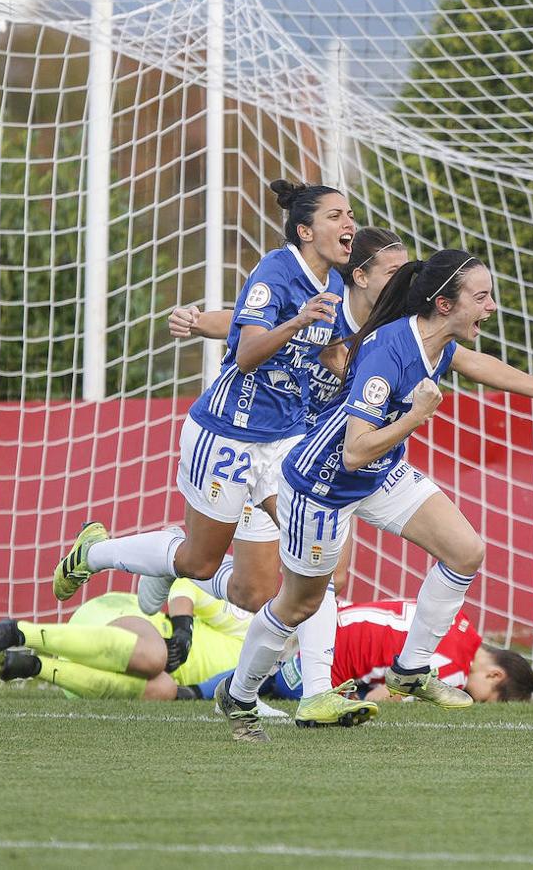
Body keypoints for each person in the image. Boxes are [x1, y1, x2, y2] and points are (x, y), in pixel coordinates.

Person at [213, 248, 533, 741]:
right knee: (298, 605)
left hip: (380, 473)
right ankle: (239, 695)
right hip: (325, 485)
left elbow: (478, 363)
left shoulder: (437, 343)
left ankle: (411, 670)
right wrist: (416, 416)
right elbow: (352, 451)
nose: (491, 307)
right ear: (443, 304)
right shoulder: (387, 354)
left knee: (465, 551)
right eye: (481, 298)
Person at [49, 178, 366, 727]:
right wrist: (295, 322)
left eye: (352, 215)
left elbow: (323, 341)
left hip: (283, 441)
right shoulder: (276, 270)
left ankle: (317, 692)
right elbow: (245, 351)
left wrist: (341, 364)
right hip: (226, 432)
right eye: (337, 216)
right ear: (305, 229)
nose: (349, 225)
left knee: (308, 565)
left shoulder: (335, 285)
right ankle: (95, 554)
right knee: (199, 559)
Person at [164, 227, 410, 711]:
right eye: (394, 272)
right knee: (309, 570)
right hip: (266, 442)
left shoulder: (386, 327)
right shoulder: (324, 298)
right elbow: (245, 325)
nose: (403, 282)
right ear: (360, 276)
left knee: (259, 589)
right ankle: (309, 692)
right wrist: (196, 322)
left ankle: (301, 687)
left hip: (307, 457)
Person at [183, 599, 533, 705]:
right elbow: (387, 695)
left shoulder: (462, 623)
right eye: (484, 698)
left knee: (267, 675)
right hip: (328, 660)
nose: (471, 700)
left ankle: (198, 691)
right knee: (274, 687)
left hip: (329, 622)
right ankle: (196, 693)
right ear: (494, 676)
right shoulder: (449, 672)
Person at [0, 579, 262, 703]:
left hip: (87, 677)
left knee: (166, 690)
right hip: (120, 623)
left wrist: (195, 693)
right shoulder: (252, 622)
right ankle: (18, 632)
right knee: (155, 656)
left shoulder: (270, 671)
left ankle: (35, 666)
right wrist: (182, 633)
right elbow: (186, 584)